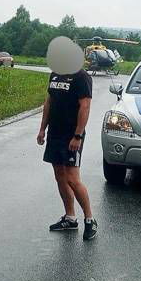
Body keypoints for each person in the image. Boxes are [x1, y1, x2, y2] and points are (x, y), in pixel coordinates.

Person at [37, 69, 98, 241]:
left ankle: (90, 219)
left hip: (72, 135)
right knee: (59, 175)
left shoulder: (81, 76)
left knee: (72, 178)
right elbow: (49, 102)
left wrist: (78, 135)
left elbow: (85, 106)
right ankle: (70, 218)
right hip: (54, 133)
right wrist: (42, 129)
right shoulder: (55, 74)